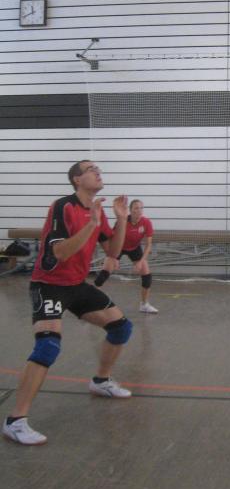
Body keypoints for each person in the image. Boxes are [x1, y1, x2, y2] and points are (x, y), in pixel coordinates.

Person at [2, 161, 133, 446]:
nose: (98, 172)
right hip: (48, 285)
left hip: (76, 285)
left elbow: (113, 251)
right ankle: (15, 421)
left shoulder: (96, 211)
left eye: (98, 169)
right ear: (76, 179)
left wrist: (121, 219)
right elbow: (60, 252)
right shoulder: (63, 206)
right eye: (90, 169)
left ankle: (101, 381)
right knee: (48, 346)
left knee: (121, 327)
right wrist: (92, 225)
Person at [95, 198, 158, 314]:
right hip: (118, 247)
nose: (139, 210)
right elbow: (112, 239)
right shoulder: (123, 222)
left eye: (141, 208)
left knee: (147, 276)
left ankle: (144, 305)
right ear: (131, 210)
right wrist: (113, 257)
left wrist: (140, 262)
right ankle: (91, 303)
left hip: (134, 248)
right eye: (136, 208)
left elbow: (149, 245)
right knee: (104, 274)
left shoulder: (146, 222)